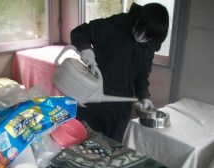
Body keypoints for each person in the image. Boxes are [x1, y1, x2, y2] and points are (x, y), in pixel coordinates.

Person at [70, 3, 169, 142]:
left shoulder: (149, 46)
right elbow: (79, 32)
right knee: (79, 141)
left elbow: (141, 76)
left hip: (119, 108)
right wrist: (85, 48)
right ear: (138, 19)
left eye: (147, 37)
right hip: (91, 98)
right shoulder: (116, 25)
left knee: (110, 148)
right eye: (141, 30)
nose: (142, 38)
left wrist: (144, 96)